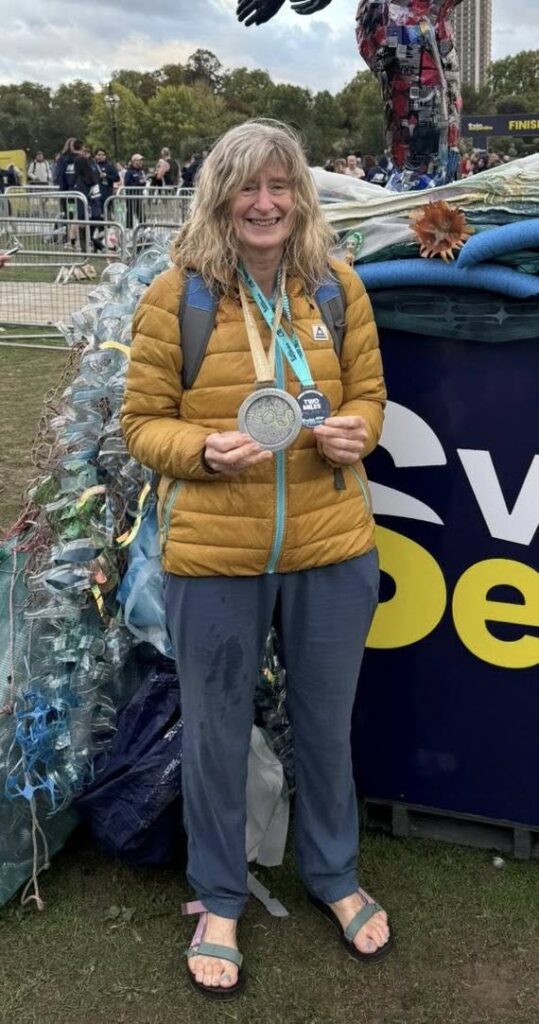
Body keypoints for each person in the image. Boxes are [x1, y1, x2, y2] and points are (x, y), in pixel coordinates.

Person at [121, 118, 391, 1000]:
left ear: (300, 197)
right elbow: (140, 423)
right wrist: (200, 450)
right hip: (213, 553)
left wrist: (359, 432)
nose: (265, 203)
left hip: (329, 546)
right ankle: (219, 898)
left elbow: (369, 394)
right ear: (220, 197)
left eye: (279, 186)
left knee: (324, 723)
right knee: (214, 733)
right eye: (248, 187)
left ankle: (334, 874)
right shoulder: (179, 295)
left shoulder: (337, 286)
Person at [124, 154, 147, 229]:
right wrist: (138, 183)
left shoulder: (140, 171)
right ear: (134, 161)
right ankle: (129, 228)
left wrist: (143, 182)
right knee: (130, 213)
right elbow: (127, 184)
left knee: (141, 213)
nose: (141, 162)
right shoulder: (129, 172)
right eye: (139, 160)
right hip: (131, 196)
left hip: (139, 195)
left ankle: (144, 227)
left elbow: (143, 182)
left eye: (142, 160)